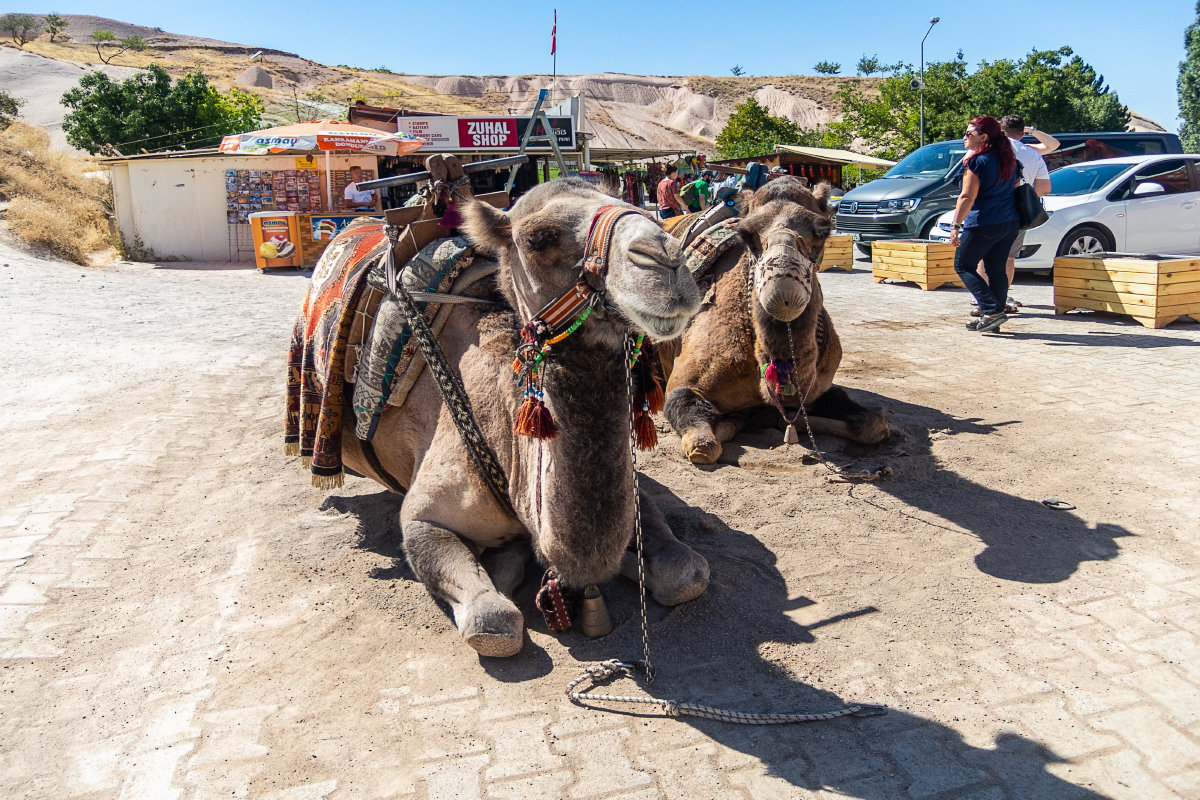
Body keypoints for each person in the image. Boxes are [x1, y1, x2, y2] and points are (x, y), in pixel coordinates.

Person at [973, 115, 1060, 314]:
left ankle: (982, 299)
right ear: (1022, 133)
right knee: (1008, 258)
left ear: (1000, 131)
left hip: (989, 209)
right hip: (1017, 212)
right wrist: (1024, 197)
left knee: (983, 256)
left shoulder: (987, 148)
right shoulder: (1031, 153)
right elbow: (1044, 187)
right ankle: (1001, 297)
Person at [949, 116, 1020, 333]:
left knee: (963, 265)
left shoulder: (977, 162)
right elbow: (1015, 189)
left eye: (969, 133)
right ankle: (992, 318)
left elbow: (966, 197)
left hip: (983, 222)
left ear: (983, 137)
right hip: (1009, 222)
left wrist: (955, 225)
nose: (964, 137)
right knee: (996, 268)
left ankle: (991, 311)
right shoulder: (1010, 160)